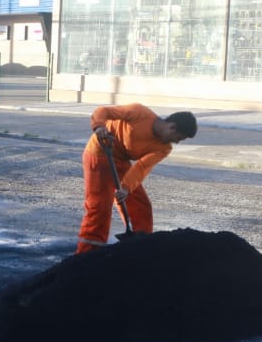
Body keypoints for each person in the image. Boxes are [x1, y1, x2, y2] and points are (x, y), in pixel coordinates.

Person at [75, 104, 197, 254]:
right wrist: (99, 127)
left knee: (141, 205)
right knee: (99, 208)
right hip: (99, 154)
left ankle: (140, 248)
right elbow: (103, 111)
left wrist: (125, 188)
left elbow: (141, 168)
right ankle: (87, 253)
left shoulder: (164, 148)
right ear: (172, 127)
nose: (176, 143)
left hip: (120, 160)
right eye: (178, 138)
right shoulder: (139, 113)